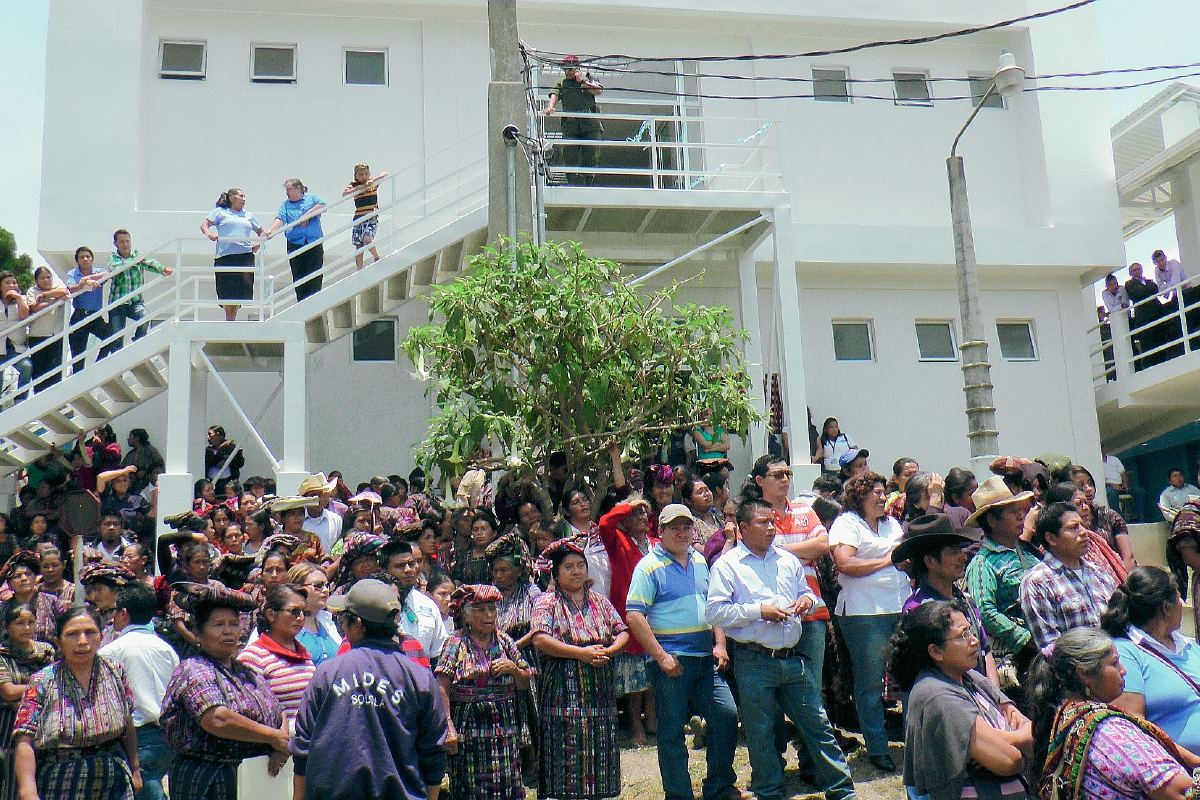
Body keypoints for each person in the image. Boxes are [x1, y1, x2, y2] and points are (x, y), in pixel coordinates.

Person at [707, 499, 856, 800]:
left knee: (818, 725)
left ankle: (842, 792)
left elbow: (805, 593)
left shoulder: (787, 560)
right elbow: (715, 613)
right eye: (763, 522)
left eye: (772, 521)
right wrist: (757, 610)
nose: (771, 528)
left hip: (792, 658)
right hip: (754, 659)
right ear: (743, 528)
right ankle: (769, 792)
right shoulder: (727, 565)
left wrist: (806, 601)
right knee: (761, 734)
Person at [292, 578, 448, 800]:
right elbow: (433, 751)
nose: (343, 626)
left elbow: (303, 746)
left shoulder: (327, 674)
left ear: (357, 624)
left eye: (344, 619)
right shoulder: (419, 678)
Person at [626, 505, 742, 800]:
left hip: (705, 659)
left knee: (726, 717)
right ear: (660, 532)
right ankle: (679, 795)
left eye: (686, 527)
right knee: (671, 734)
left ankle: (719, 786)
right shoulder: (648, 566)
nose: (681, 533)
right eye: (674, 528)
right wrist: (662, 657)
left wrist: (720, 643)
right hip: (672, 662)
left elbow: (713, 605)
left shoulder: (700, 560)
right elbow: (634, 616)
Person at [1030, 627, 1199, 800]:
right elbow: (1182, 792)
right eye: (1114, 663)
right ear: (1085, 673)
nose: (1123, 670)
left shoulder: (1063, 714)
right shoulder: (1109, 732)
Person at [885, 601, 1032, 800]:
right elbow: (1009, 760)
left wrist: (1003, 739)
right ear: (936, 652)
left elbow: (1033, 733)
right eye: (963, 635)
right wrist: (1015, 741)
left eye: (971, 631)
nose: (974, 641)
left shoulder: (971, 677)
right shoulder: (937, 695)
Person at [160, 582, 289, 800]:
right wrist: (272, 736)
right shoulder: (193, 669)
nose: (228, 631)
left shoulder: (246, 672)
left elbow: (278, 710)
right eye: (218, 625)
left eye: (233, 624)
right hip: (206, 778)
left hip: (251, 775)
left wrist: (281, 742)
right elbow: (217, 718)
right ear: (198, 633)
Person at [530, 538, 629, 800]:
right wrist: (581, 654)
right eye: (569, 567)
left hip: (599, 689)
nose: (576, 571)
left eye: (580, 565)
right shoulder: (546, 602)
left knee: (598, 751)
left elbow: (622, 631)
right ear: (556, 573)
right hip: (563, 689)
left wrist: (610, 650)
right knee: (565, 754)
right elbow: (540, 638)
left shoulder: (599, 600)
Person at [13, 607, 142, 800]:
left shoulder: (115, 671)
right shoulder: (43, 681)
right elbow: (25, 740)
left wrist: (135, 768)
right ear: (58, 642)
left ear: (101, 636)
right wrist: (28, 791)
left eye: (90, 632)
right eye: (72, 634)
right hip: (62, 781)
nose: (83, 641)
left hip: (113, 776)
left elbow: (127, 723)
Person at [827, 471, 908, 771]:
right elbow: (845, 563)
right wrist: (887, 561)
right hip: (864, 613)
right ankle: (877, 747)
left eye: (884, 491)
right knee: (871, 681)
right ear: (859, 496)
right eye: (876, 491)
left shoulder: (892, 524)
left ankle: (915, 741)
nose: (883, 496)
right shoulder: (847, 523)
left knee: (909, 677)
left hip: (898, 606)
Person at [436, 584, 532, 800]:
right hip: (469, 727)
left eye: (492, 609)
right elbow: (442, 683)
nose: (488, 615)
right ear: (467, 615)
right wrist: (448, 724)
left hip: (504, 727)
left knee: (507, 782)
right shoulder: (455, 643)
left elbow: (525, 682)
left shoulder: (504, 641)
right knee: (470, 784)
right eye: (481, 610)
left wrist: (513, 669)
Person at [1101, 566, 1200, 753]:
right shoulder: (1125, 653)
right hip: (1183, 769)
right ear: (1165, 608)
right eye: (1178, 597)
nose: (1181, 602)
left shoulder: (1188, 645)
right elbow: (1135, 730)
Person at [894, 513, 998, 684]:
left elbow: (985, 651)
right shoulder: (917, 611)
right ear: (930, 561)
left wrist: (996, 697)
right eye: (953, 551)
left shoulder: (966, 600)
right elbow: (923, 672)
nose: (963, 557)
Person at [99, 583, 180, 800]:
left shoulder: (112, 650)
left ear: (123, 613)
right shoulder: (167, 648)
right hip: (168, 735)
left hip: (138, 737)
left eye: (114, 611)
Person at [964, 476, 1039, 695]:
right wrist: (1025, 639)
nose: (1020, 516)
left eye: (1019, 510)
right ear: (992, 521)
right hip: (1016, 658)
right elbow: (985, 611)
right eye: (1010, 512)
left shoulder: (1028, 554)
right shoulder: (982, 563)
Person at [1020, 502, 1118, 656]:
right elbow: (1052, 648)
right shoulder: (1038, 582)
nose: (1084, 532)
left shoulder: (1099, 572)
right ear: (1051, 538)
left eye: (1082, 525)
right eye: (1073, 528)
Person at [237, 584, 316, 723]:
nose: (301, 618)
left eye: (304, 612)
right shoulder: (252, 657)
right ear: (271, 615)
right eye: (294, 611)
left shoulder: (305, 656)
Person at [0, 603, 54, 800]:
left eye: (31, 622)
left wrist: (30, 694)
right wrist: (41, 686)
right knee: (11, 779)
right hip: (9, 726)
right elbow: (8, 691)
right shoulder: (2, 654)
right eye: (20, 623)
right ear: (6, 626)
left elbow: (57, 683)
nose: (27, 628)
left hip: (44, 722)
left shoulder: (46, 651)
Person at [105, 229, 172, 354]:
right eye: (122, 242)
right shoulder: (113, 258)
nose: (125, 244)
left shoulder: (138, 255)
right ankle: (117, 366)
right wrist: (135, 261)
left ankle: (137, 343)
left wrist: (163, 269)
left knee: (145, 318)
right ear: (115, 244)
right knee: (116, 338)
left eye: (127, 241)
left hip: (135, 302)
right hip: (117, 303)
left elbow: (151, 263)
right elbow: (115, 268)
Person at [201, 187, 263, 321]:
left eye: (244, 196)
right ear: (232, 198)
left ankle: (231, 317)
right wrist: (210, 234)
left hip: (244, 255)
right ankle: (229, 318)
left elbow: (261, 232)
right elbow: (204, 225)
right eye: (241, 196)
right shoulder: (220, 212)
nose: (244, 199)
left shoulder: (248, 215)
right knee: (226, 289)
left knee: (241, 288)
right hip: (225, 255)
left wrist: (258, 245)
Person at [382, 540, 449, 658]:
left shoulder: (429, 605)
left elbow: (438, 653)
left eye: (411, 564)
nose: (408, 570)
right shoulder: (376, 606)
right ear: (384, 571)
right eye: (400, 566)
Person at [265, 179, 328, 302]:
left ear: (298, 188)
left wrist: (307, 215)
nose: (287, 192)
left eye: (289, 189)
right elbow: (280, 219)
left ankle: (313, 303)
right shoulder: (285, 205)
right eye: (286, 190)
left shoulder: (311, 199)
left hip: (312, 243)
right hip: (295, 244)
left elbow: (323, 205)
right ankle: (302, 303)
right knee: (299, 276)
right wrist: (271, 230)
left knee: (314, 275)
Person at [545, 55, 604, 186]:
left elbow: (598, 91)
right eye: (565, 69)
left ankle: (589, 181)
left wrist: (582, 82)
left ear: (576, 68)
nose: (567, 72)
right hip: (571, 124)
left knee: (591, 154)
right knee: (569, 153)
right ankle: (571, 180)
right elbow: (555, 95)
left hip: (589, 122)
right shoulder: (562, 82)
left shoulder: (588, 77)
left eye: (570, 69)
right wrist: (550, 107)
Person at [1, 552, 64, 645]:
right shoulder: (3, 608)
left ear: (35, 577)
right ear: (9, 584)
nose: (24, 578)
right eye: (17, 576)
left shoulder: (52, 602)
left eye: (28, 574)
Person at [65, 245, 110, 374]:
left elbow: (107, 274)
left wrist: (87, 278)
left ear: (92, 259)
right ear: (77, 260)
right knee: (78, 356)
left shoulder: (98, 271)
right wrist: (83, 283)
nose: (85, 259)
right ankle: (78, 384)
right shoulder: (73, 273)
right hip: (79, 315)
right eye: (82, 257)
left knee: (112, 337)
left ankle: (97, 366)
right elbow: (70, 288)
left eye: (88, 257)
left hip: (95, 316)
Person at [24, 266, 69, 392]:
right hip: (38, 336)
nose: (46, 280)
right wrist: (54, 302)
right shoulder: (32, 291)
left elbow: (65, 292)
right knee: (39, 372)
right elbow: (34, 307)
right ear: (36, 280)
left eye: (48, 277)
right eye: (42, 278)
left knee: (55, 371)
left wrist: (46, 295)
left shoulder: (57, 288)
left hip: (55, 335)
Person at [287, 563, 341, 667]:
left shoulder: (328, 622)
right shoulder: (280, 625)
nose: (326, 590)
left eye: (327, 585)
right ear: (298, 588)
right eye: (318, 585)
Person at [343, 164, 389, 269]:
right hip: (359, 218)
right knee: (359, 245)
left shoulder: (372, 183)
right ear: (355, 176)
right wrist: (359, 188)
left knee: (367, 240)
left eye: (366, 174)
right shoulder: (353, 185)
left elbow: (385, 174)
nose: (364, 177)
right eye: (361, 174)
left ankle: (376, 257)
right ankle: (359, 269)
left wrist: (372, 181)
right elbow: (345, 193)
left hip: (371, 216)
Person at [0, 271, 31, 398]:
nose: (12, 285)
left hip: (16, 346)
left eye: (14, 283)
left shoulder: (22, 299)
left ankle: (20, 399)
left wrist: (18, 298)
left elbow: (24, 315)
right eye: (7, 283)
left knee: (26, 367)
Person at [298, 472, 343, 553]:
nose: (317, 499)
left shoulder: (336, 520)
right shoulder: (298, 521)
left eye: (319, 495)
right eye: (312, 496)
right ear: (305, 499)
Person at [120, 429, 164, 495]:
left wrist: (146, 472)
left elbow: (159, 464)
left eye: (130, 436)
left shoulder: (151, 451)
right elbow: (121, 469)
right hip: (133, 490)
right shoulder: (130, 454)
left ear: (137, 438)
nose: (128, 439)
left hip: (148, 489)